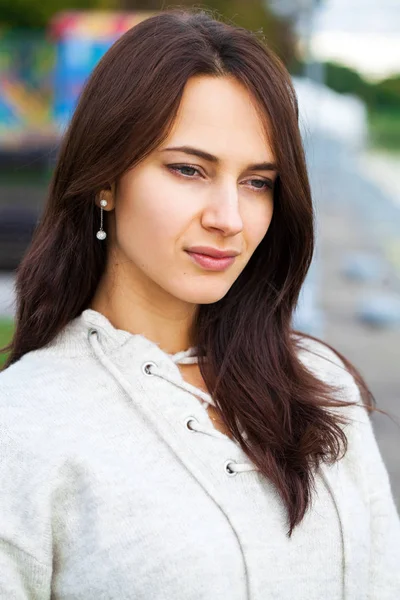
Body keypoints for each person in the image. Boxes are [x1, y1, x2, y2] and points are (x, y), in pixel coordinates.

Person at [0, 9, 399, 600]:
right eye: (189, 170)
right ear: (105, 178)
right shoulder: (24, 425)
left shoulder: (322, 380)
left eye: (257, 181)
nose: (229, 219)